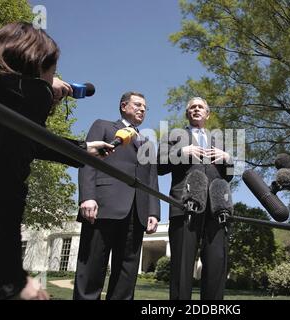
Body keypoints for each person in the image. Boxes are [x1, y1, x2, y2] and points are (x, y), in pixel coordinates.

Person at [0, 22, 114, 300]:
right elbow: (4, 189)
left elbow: (28, 140)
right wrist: (11, 281)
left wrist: (82, 148)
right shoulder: (22, 97)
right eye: (53, 71)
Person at [73, 91, 160, 300]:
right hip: (103, 207)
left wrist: (154, 212)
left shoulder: (147, 143)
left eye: (145, 107)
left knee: (126, 274)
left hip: (137, 213)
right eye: (137, 104)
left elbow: (152, 179)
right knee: (92, 269)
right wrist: (87, 196)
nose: (142, 109)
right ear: (123, 106)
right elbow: (87, 160)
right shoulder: (103, 126)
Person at [157, 97, 233, 300]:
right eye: (192, 107)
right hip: (185, 205)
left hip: (217, 208)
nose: (196, 109)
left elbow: (231, 174)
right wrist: (181, 152)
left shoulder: (221, 141)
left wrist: (227, 158)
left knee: (217, 263)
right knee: (182, 266)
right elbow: (159, 165)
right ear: (187, 114)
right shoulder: (174, 136)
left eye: (201, 107)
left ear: (207, 114)